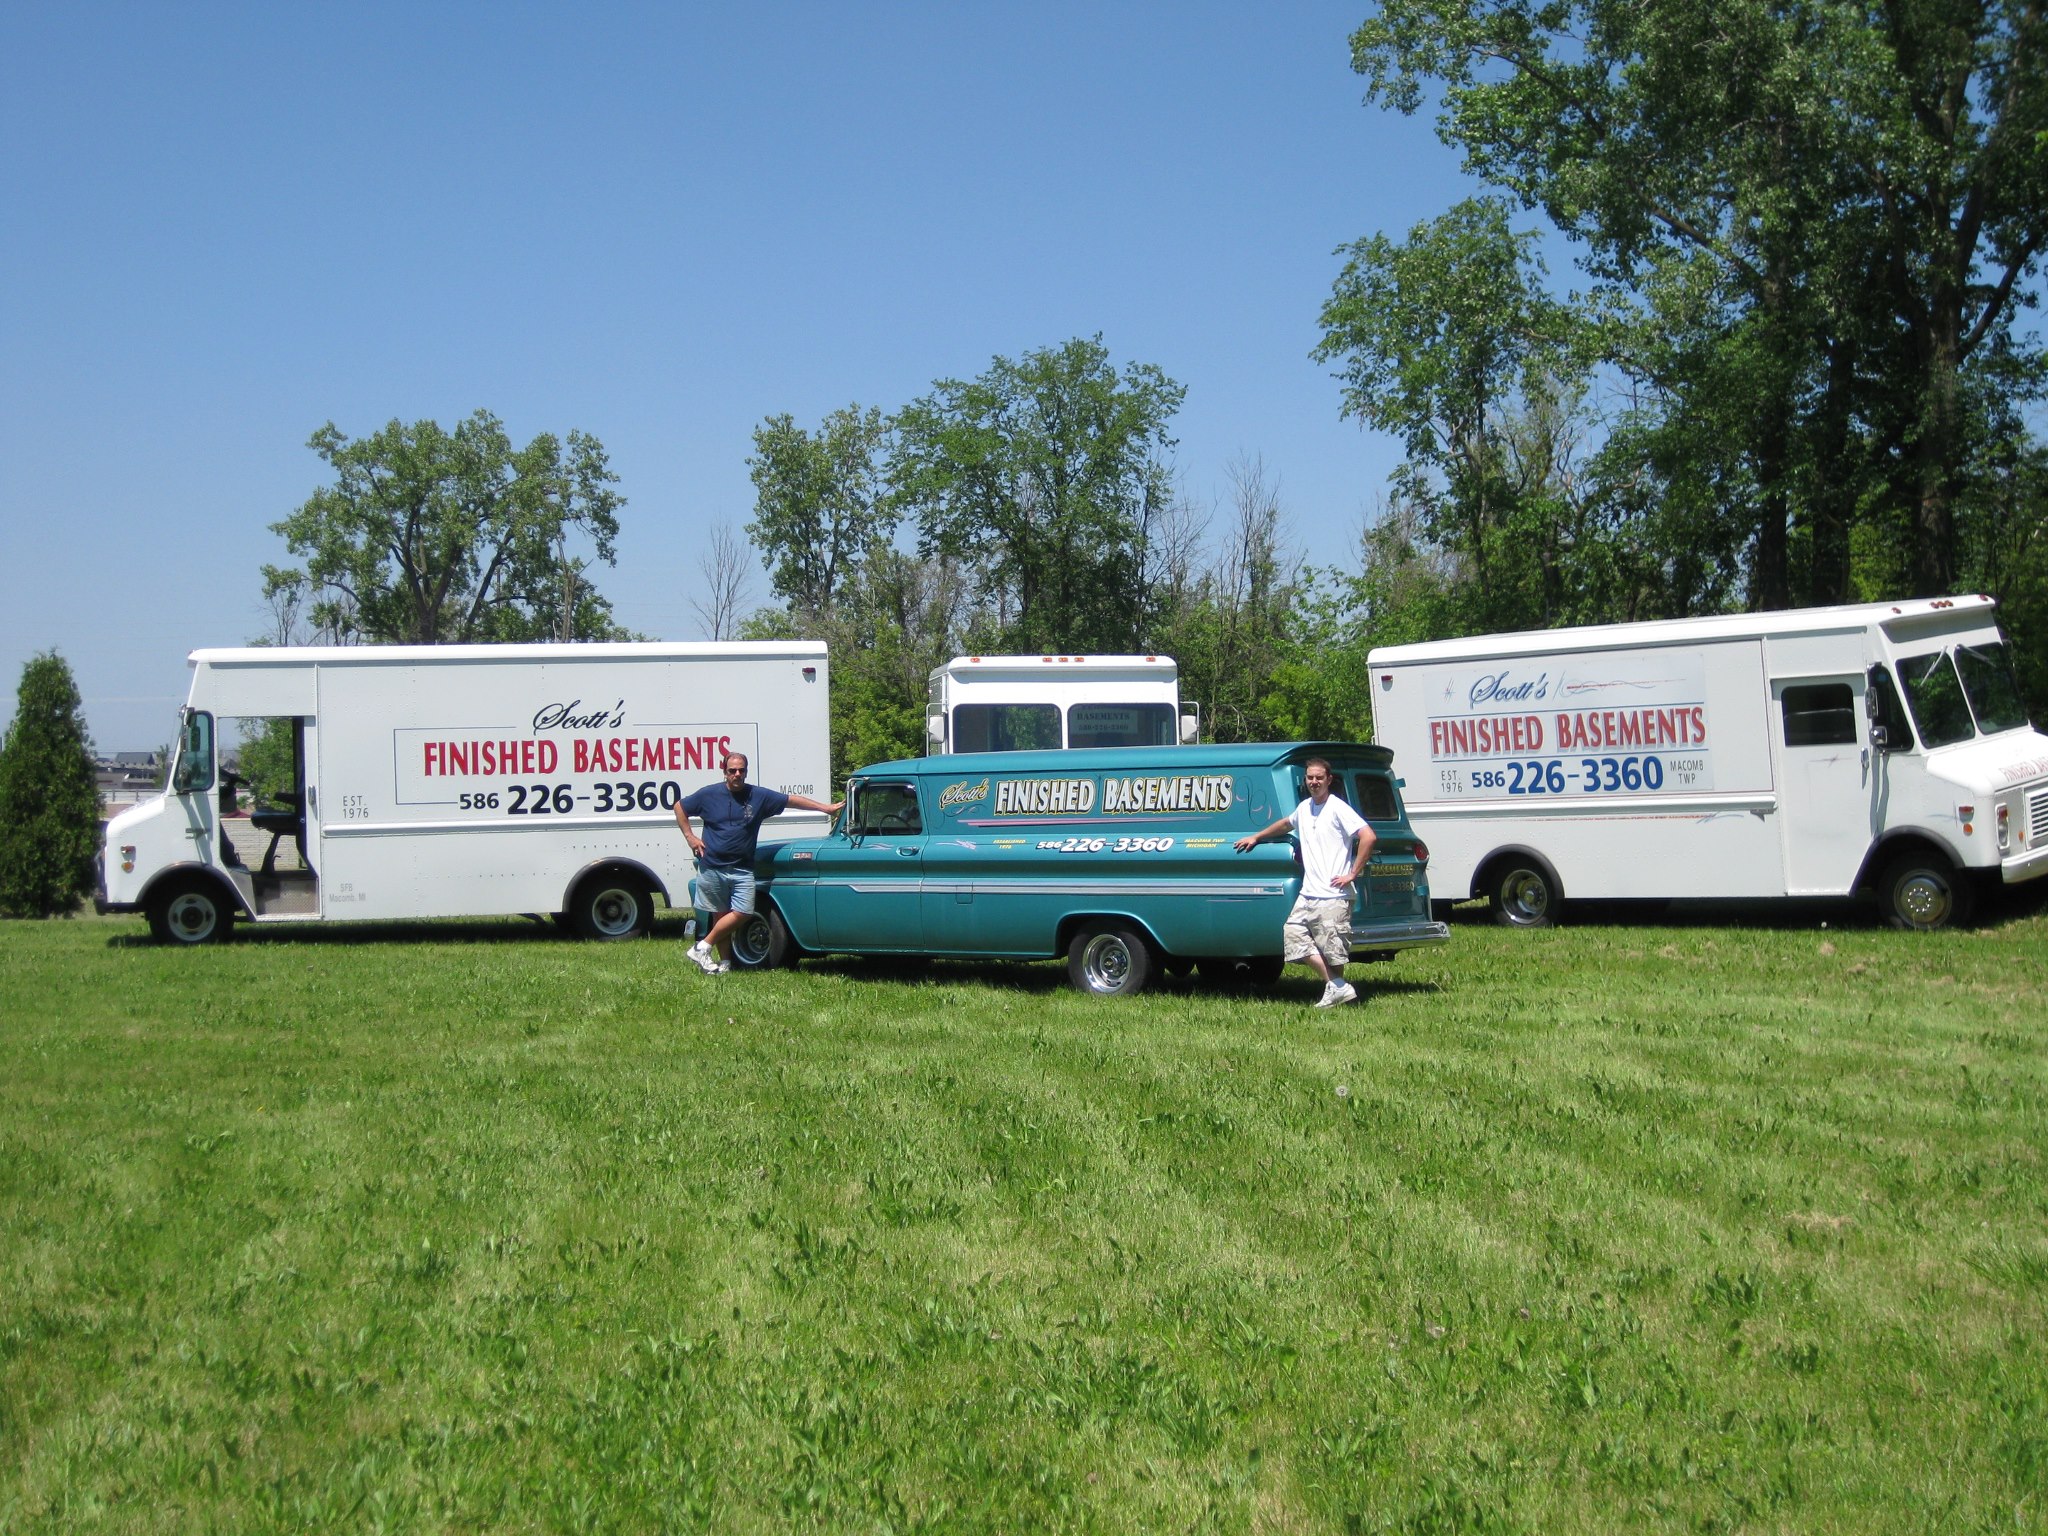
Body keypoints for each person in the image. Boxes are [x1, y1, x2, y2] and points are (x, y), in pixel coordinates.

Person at [675, 752, 841, 974]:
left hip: (742, 868)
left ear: (746, 771)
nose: (737, 774)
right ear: (724, 771)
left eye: (741, 770)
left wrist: (825, 808)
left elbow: (790, 800)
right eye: (732, 770)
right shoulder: (709, 795)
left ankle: (702, 946)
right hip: (712, 865)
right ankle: (725, 964)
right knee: (720, 915)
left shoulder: (757, 796)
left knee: (743, 912)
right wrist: (690, 837)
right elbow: (679, 807)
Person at [1233, 757, 1376, 1007]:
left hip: (1333, 895)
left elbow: (1368, 836)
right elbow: (1286, 823)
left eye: (1319, 777)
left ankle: (1336, 991)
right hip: (1308, 893)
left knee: (1333, 951)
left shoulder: (1337, 807)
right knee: (1293, 933)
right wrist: (1257, 836)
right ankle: (1337, 986)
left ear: (1329, 780)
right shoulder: (1305, 807)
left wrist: (1353, 873)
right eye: (1310, 777)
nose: (1314, 782)